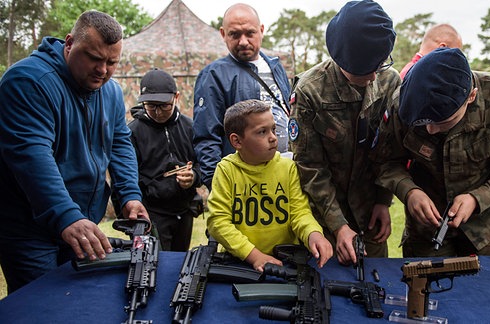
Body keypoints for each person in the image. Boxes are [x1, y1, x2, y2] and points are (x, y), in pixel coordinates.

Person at [0, 10, 148, 294]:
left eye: (111, 62)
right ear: (69, 44)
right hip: (29, 229)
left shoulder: (111, 92)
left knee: (78, 301)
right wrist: (67, 215)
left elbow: (119, 142)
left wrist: (129, 194)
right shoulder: (28, 82)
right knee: (40, 306)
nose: (102, 70)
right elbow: (31, 156)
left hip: (80, 221)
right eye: (94, 58)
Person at [373, 47, 490, 257]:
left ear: (471, 96)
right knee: (423, 288)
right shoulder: (404, 103)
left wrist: (480, 197)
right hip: (426, 232)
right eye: (423, 123)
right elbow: (384, 161)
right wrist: (409, 191)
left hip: (487, 231)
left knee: (489, 289)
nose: (430, 130)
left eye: (442, 121)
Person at [288, 0, 400, 265]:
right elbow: (310, 167)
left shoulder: (390, 81)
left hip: (370, 213)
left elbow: (390, 149)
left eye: (379, 65)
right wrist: (337, 225)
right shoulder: (310, 91)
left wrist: (383, 201)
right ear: (341, 60)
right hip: (324, 218)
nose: (373, 77)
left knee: (376, 282)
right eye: (364, 71)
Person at [206, 99, 333, 272]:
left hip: (286, 260)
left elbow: (299, 212)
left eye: (273, 129)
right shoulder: (226, 170)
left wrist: (313, 233)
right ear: (237, 141)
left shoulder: (287, 168)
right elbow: (218, 222)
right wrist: (254, 256)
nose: (273, 137)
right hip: (238, 263)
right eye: (262, 132)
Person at [193, 3, 291, 190]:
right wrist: (218, 187)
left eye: (250, 33)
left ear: (261, 30)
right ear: (223, 34)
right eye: (235, 34)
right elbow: (206, 137)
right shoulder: (214, 75)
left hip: (285, 174)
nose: (243, 41)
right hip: (246, 183)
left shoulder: (276, 67)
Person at [127, 69, 203, 252]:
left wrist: (193, 176)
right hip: (151, 214)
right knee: (153, 265)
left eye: (164, 105)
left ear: (176, 97)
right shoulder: (132, 132)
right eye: (151, 106)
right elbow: (127, 175)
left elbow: (204, 164)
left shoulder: (190, 127)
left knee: (180, 263)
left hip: (185, 211)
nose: (158, 112)